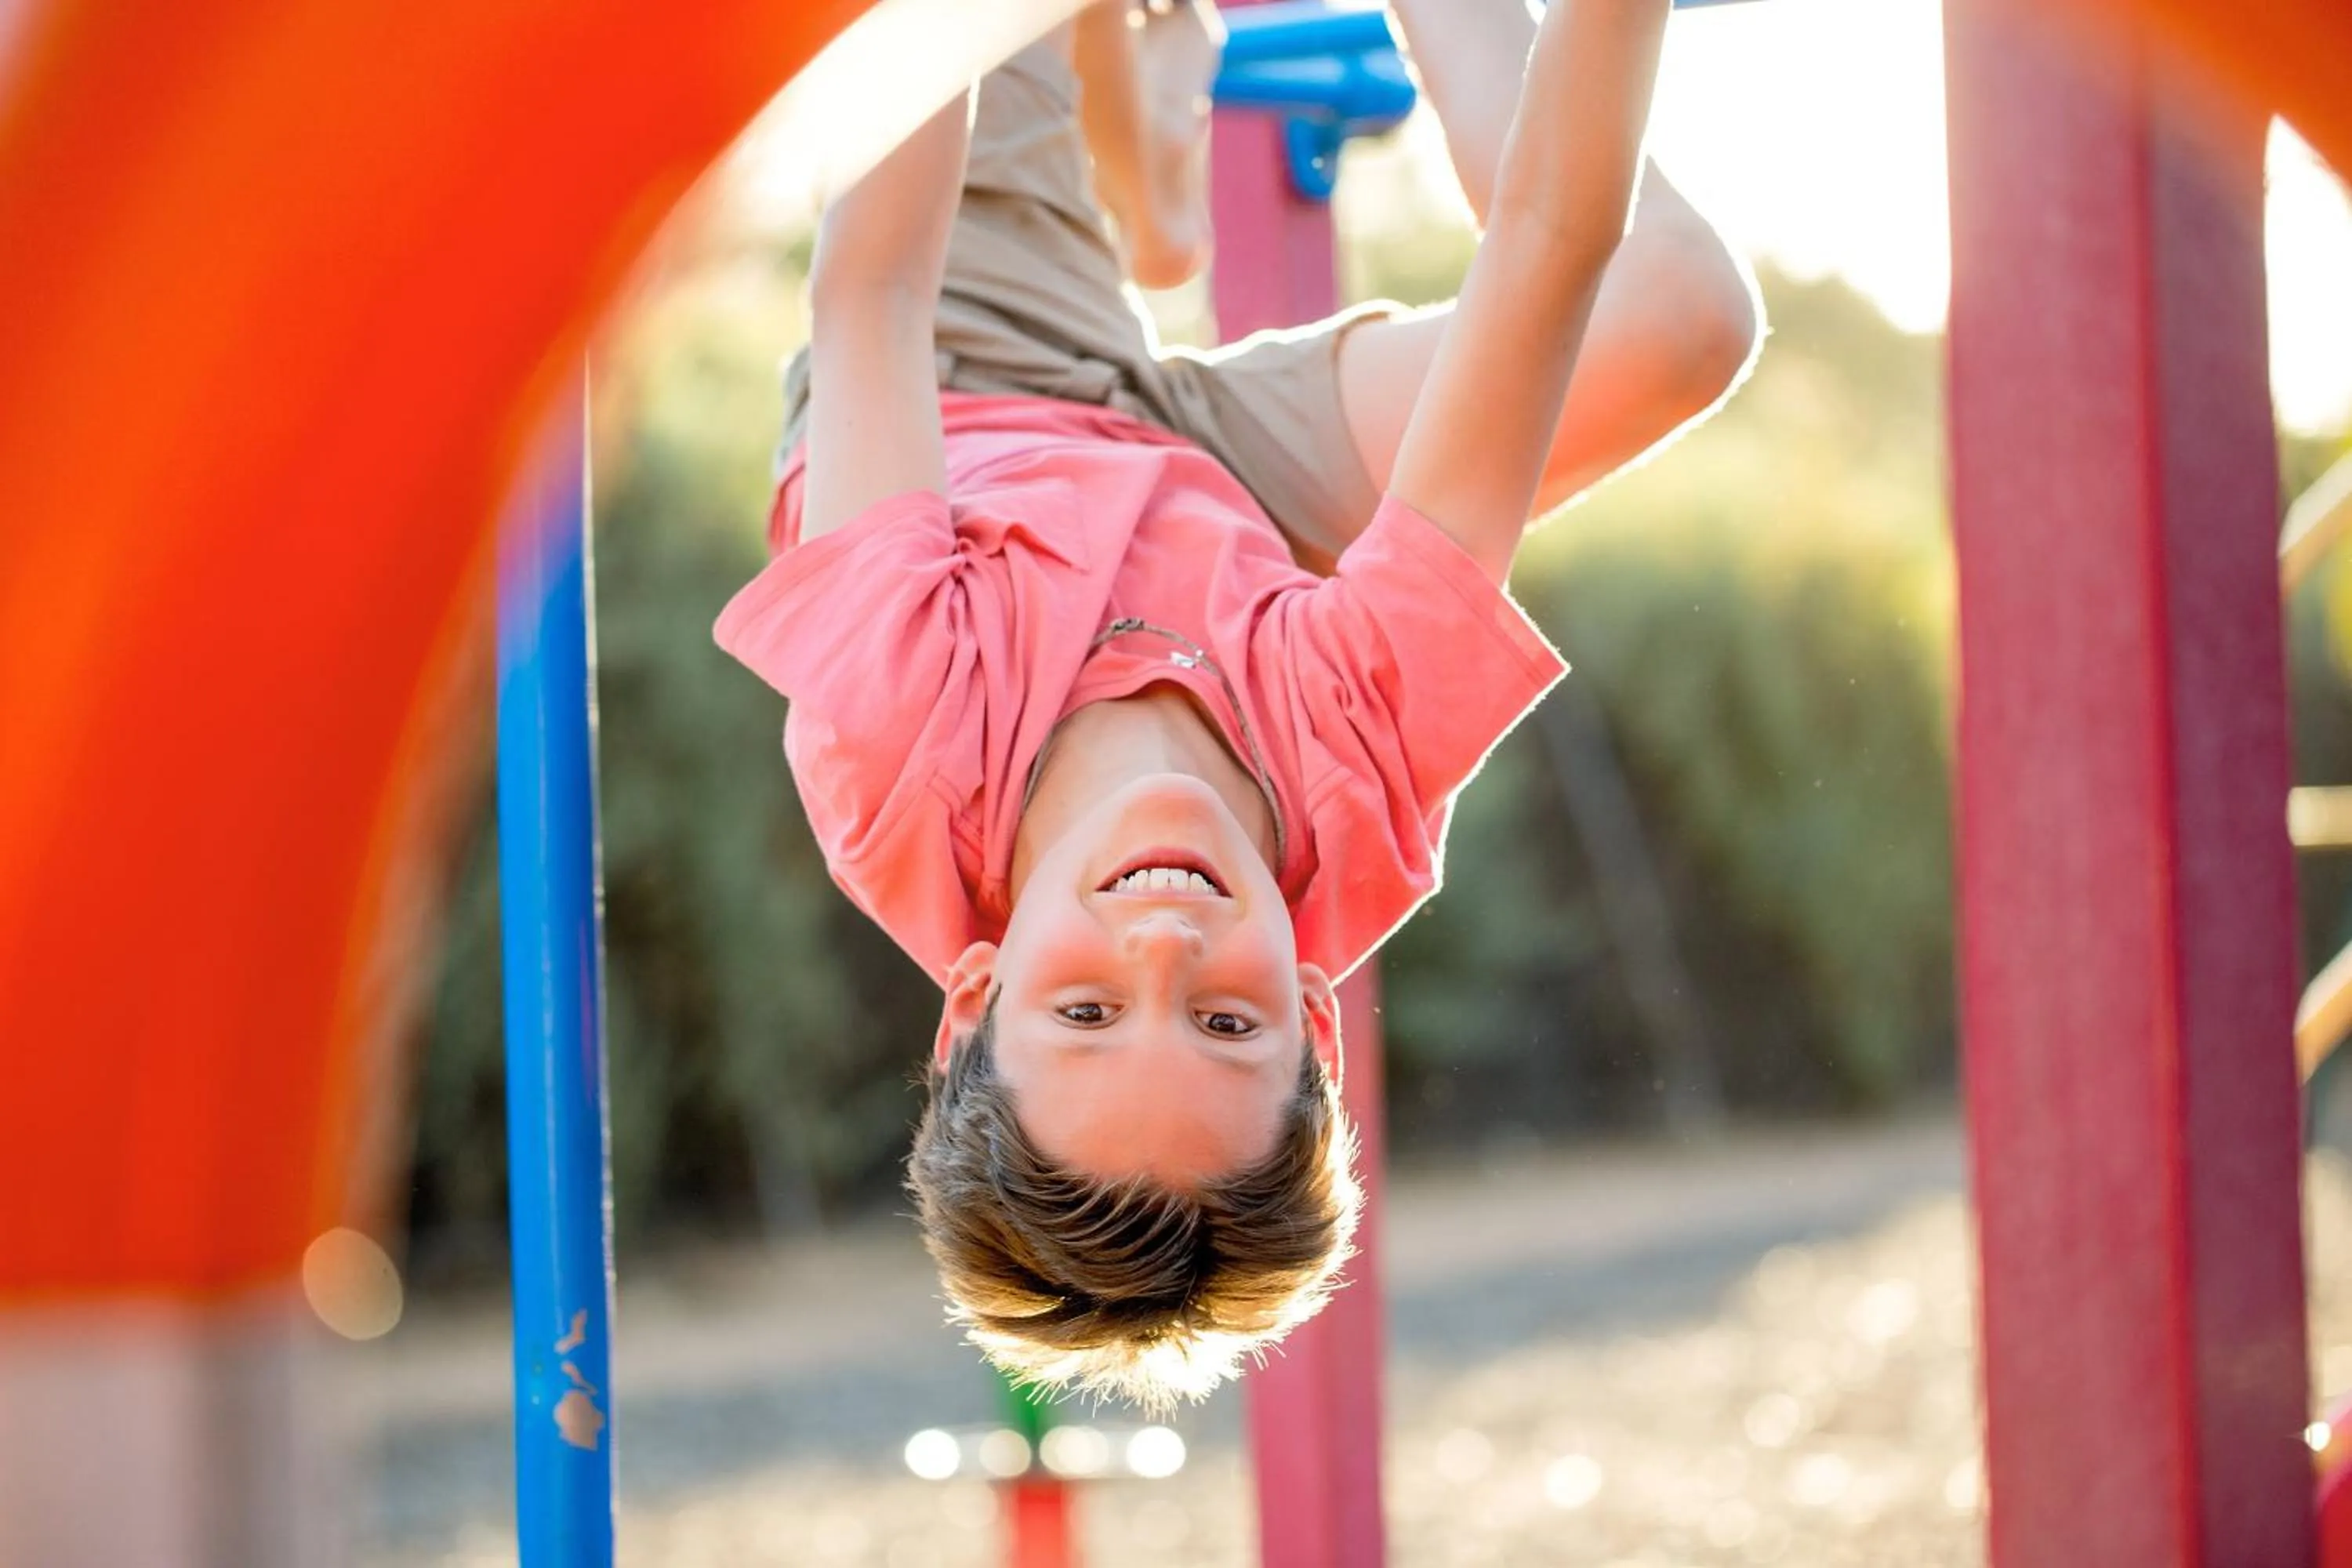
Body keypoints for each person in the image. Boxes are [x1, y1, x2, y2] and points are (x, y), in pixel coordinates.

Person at [716, 0, 1755, 1405]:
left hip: (968, 392)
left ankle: (1133, 128)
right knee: (1678, 321)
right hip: (1222, 507)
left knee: (952, 33)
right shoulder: (1355, 773)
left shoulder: (903, 723)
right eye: (1225, 1023)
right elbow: (1550, 251)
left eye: (1084, 1011)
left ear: (974, 1001)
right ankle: (1153, 126)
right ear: (1317, 1020)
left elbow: (875, 290)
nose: (1163, 940)